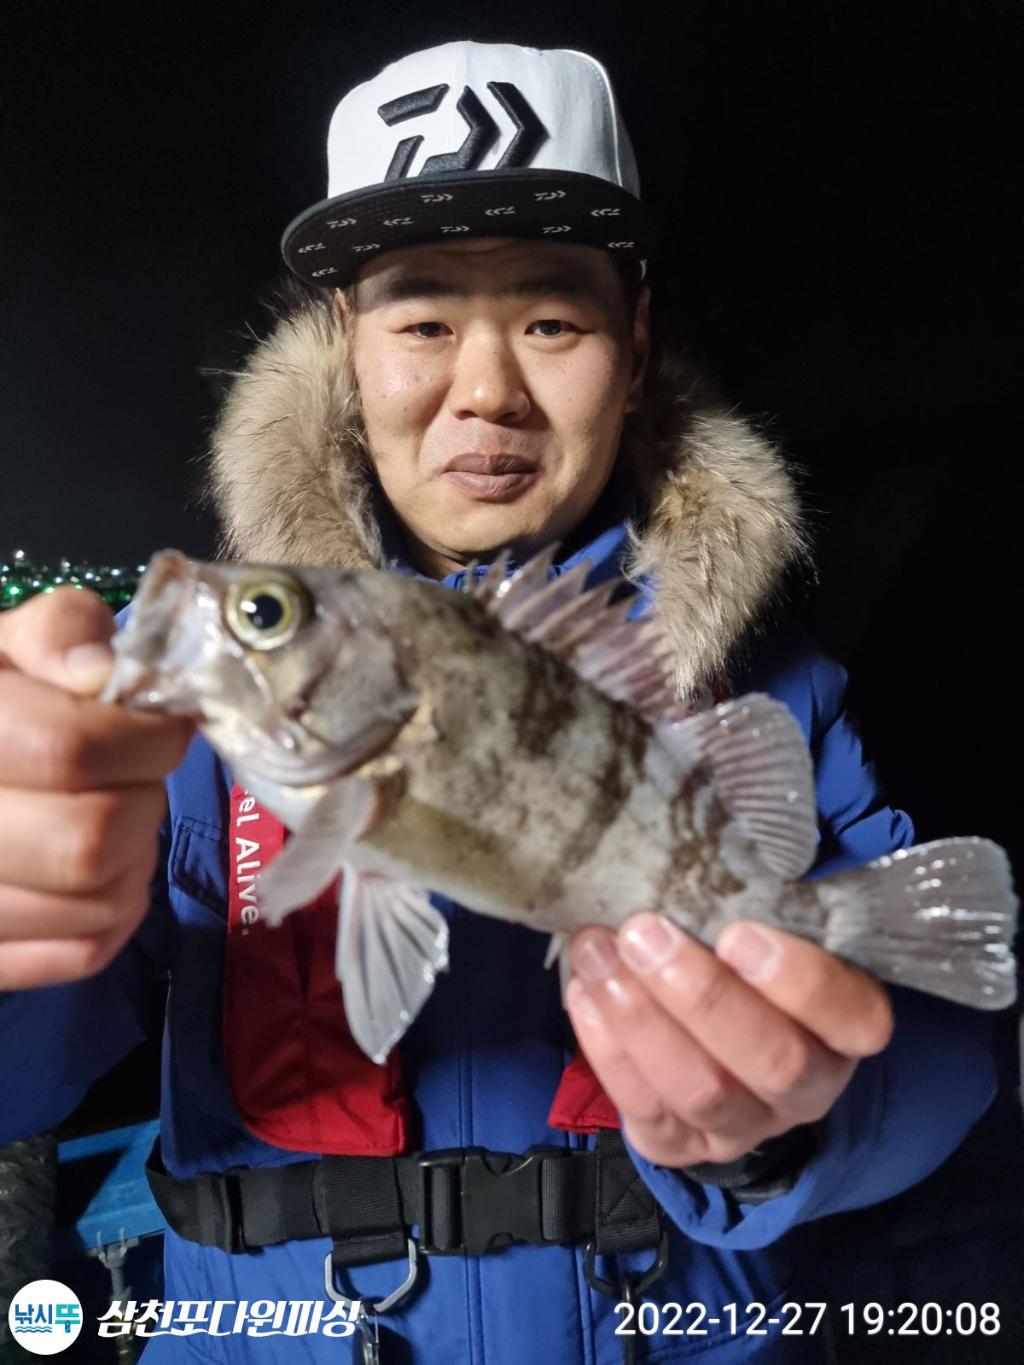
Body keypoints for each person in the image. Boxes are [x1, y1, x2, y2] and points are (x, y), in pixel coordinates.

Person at [0, 40, 1000, 1364]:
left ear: (635, 348)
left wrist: (794, 1124)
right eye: (423, 321)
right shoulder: (186, 707)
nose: (486, 389)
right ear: (346, 347)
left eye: (551, 321)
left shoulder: (777, 686)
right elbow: (25, 1076)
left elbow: (949, 1034)